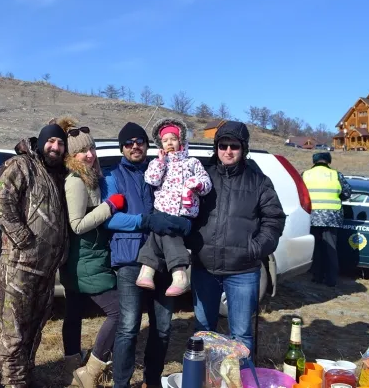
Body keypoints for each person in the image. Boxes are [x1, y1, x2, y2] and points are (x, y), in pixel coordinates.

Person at [102, 122, 192, 388]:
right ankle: (121, 383)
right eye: (129, 143)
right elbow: (110, 219)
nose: (135, 146)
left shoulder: (162, 169)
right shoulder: (112, 176)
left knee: (162, 328)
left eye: (139, 141)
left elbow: (180, 204)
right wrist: (145, 221)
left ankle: (152, 381)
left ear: (146, 145)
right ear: (122, 148)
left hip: (162, 260)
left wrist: (182, 224)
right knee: (128, 327)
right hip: (130, 260)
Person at [187, 121, 286, 356]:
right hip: (204, 268)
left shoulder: (259, 181)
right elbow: (185, 210)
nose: (228, 151)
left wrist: (255, 248)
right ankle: (204, 374)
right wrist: (191, 244)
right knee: (202, 331)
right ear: (216, 148)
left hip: (243, 271)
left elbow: (274, 219)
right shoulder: (203, 178)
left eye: (234, 146)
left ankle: (239, 375)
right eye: (223, 146)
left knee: (241, 335)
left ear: (244, 149)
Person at [0, 121, 69, 388]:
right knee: (14, 333)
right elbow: (1, 203)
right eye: (51, 141)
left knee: (34, 331)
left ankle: (25, 378)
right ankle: (13, 383)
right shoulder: (21, 165)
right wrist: (24, 240)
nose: (55, 147)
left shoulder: (57, 174)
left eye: (60, 143)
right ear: (41, 142)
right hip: (18, 267)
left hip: (45, 270)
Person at [56, 118, 123, 388]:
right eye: (82, 151)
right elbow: (77, 225)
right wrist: (110, 206)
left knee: (74, 312)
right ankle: (92, 369)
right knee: (119, 311)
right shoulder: (75, 181)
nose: (90, 154)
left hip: (83, 258)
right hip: (85, 259)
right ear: (72, 156)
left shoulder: (89, 176)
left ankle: (72, 366)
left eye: (91, 148)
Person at [136, 118, 212, 296]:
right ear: (160, 144)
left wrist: (196, 184)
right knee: (160, 231)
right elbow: (152, 179)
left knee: (165, 231)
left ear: (181, 141)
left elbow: (206, 184)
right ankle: (175, 275)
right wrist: (160, 162)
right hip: (162, 209)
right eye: (165, 140)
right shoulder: (158, 162)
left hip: (183, 214)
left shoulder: (192, 162)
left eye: (173, 139)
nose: (169, 143)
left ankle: (153, 271)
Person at [302, 152, 351, 287]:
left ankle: (316, 276)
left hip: (312, 216)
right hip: (332, 217)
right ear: (329, 161)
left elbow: (299, 193)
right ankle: (331, 279)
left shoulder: (305, 175)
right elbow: (347, 193)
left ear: (314, 161)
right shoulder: (336, 175)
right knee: (331, 248)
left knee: (316, 247)